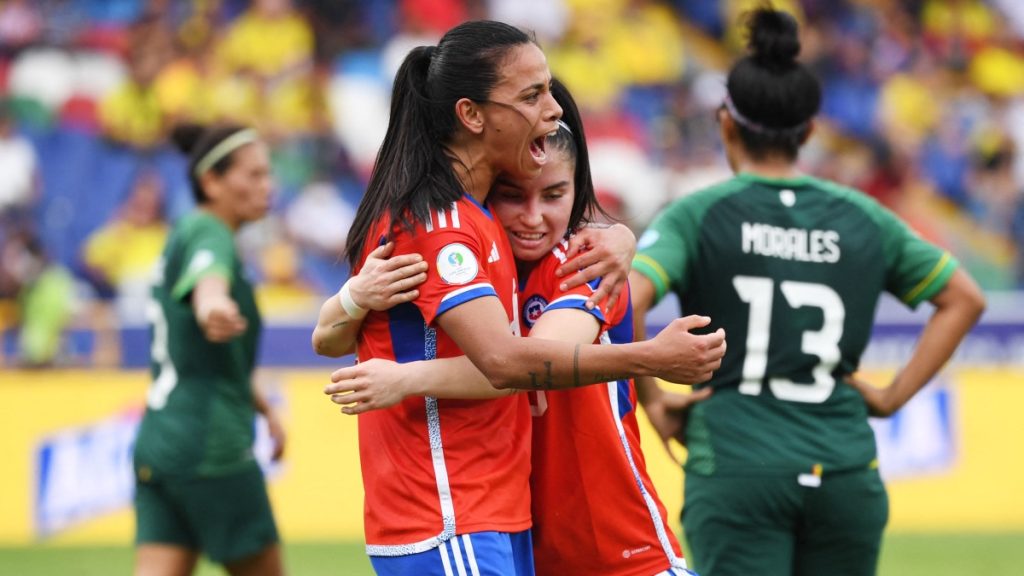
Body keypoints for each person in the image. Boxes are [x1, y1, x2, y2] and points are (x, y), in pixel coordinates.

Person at [311, 20, 725, 576]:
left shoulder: (498, 227)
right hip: (452, 516)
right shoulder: (445, 224)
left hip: (514, 524)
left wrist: (617, 234)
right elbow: (504, 361)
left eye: (555, 195)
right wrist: (651, 358)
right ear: (472, 115)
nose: (552, 108)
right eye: (532, 95)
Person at [628, 8, 986, 576]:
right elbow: (965, 298)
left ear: (726, 122)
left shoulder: (696, 215)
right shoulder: (867, 217)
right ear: (809, 132)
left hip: (738, 461)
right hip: (843, 467)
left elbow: (628, 298)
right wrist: (891, 398)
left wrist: (654, 403)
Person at [132, 123, 286, 576]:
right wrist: (212, 304)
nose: (267, 186)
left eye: (268, 174)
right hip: (211, 445)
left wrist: (264, 408)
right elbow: (208, 282)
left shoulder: (185, 231)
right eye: (254, 175)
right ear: (211, 182)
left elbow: (206, 358)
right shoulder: (209, 232)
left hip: (160, 441)